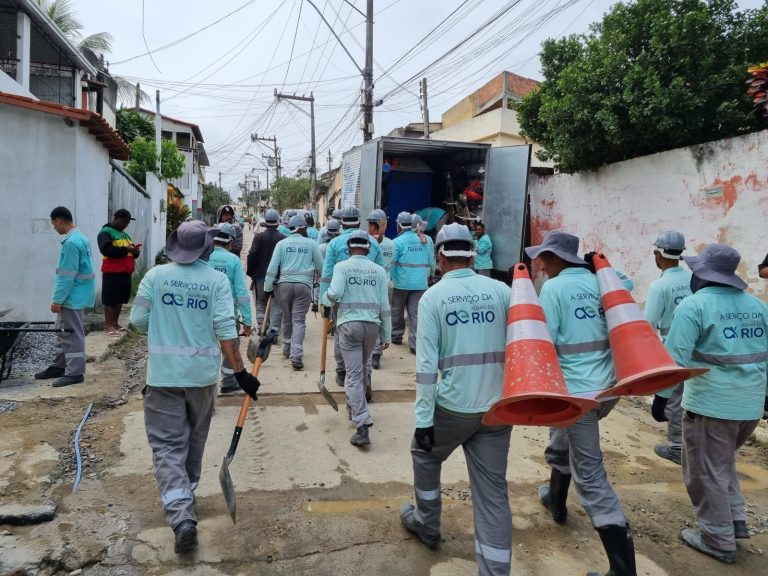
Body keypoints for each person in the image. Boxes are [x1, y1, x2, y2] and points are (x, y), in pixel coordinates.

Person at [130, 221, 260, 555]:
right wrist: (241, 372)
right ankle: (184, 498)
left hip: (163, 378)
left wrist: (166, 326)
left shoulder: (155, 277)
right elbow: (224, 328)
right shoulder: (215, 281)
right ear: (206, 248)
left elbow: (138, 322)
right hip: (202, 379)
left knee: (167, 446)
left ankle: (181, 515)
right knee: (193, 441)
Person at [400, 223, 512, 576]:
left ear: (439, 257)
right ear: (473, 253)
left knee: (424, 454)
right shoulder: (501, 291)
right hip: (497, 408)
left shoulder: (434, 298)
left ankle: (427, 525)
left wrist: (423, 421)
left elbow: (426, 368)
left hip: (453, 407)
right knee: (493, 492)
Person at [528, 231, 636, 576]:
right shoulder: (604, 282)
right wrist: (597, 266)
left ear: (558, 259)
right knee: (563, 443)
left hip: (578, 396)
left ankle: (622, 569)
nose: (540, 264)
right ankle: (556, 501)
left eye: (544, 257)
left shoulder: (555, 289)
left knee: (590, 478)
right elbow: (626, 284)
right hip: (608, 390)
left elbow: (544, 343)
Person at [665, 243, 768, 564]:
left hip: (711, 406)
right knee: (722, 464)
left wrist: (661, 397)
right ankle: (734, 521)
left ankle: (717, 537)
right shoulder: (758, 306)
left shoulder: (694, 306)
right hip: (750, 407)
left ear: (702, 274)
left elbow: (673, 361)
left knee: (703, 472)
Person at [321, 230, 391, 446]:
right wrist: (386, 334)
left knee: (352, 375)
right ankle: (353, 408)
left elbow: (334, 293)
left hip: (349, 326)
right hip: (372, 328)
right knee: (361, 370)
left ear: (349, 248)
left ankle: (362, 424)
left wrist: (325, 300)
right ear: (368, 248)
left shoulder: (342, 267)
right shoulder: (379, 271)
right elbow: (384, 306)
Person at [320, 207, 385, 386]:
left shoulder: (334, 243)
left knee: (343, 334)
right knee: (368, 341)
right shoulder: (372, 242)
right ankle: (367, 377)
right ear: (359, 221)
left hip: (340, 298)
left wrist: (323, 300)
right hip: (369, 298)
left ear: (341, 222)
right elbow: (382, 273)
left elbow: (326, 274)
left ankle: (342, 372)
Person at [643, 230, 691, 465]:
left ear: (657, 254)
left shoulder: (660, 286)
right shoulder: (693, 278)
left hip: (672, 345)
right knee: (691, 395)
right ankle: (692, 444)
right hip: (697, 345)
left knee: (673, 397)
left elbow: (648, 324)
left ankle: (677, 448)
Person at [34, 207, 96, 388]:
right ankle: (59, 366)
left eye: (53, 223)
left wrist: (57, 300)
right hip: (78, 294)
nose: (54, 227)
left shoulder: (71, 243)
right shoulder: (81, 238)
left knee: (72, 333)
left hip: (72, 296)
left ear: (60, 220)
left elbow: (67, 275)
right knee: (62, 331)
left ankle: (75, 372)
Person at [264, 214, 324, 370]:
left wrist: (268, 288)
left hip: (284, 286)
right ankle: (296, 355)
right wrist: (323, 286)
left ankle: (286, 348)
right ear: (303, 228)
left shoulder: (282, 244)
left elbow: (272, 268)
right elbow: (321, 266)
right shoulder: (311, 244)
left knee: (287, 318)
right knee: (299, 320)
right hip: (303, 287)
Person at [208, 223, 253, 394]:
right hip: (228, 315)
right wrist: (247, 321)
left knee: (207, 351)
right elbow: (241, 293)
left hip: (204, 314)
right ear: (230, 242)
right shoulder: (233, 260)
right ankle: (228, 382)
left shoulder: (204, 256)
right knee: (230, 348)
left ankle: (207, 390)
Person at [391, 211, 435, 353]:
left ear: (398, 226)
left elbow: (392, 263)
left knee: (397, 311)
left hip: (401, 284)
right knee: (415, 314)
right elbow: (431, 260)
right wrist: (431, 274)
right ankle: (415, 344)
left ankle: (396, 335)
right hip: (420, 284)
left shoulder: (397, 242)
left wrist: (390, 278)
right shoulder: (425, 240)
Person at [97, 209, 141, 334]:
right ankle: (108, 325)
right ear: (116, 218)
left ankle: (115, 324)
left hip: (125, 272)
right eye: (124, 222)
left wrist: (135, 251)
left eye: (127, 223)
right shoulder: (105, 232)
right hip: (112, 272)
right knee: (110, 299)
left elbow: (130, 252)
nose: (126, 225)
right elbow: (107, 250)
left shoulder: (125, 235)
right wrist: (126, 249)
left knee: (120, 299)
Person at [246, 209, 285, 336]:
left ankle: (262, 325)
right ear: (277, 223)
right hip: (277, 278)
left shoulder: (259, 237)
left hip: (260, 277)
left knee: (261, 302)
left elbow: (251, 255)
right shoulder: (283, 239)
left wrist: (251, 272)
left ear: (265, 223)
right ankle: (273, 330)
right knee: (276, 304)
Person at [368, 209, 394, 370]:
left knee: (370, 318)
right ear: (382, 224)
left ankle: (371, 352)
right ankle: (376, 353)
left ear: (371, 225)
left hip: (369, 285)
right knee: (382, 316)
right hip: (386, 284)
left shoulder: (364, 243)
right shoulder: (391, 244)